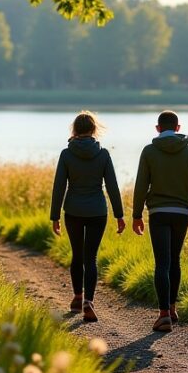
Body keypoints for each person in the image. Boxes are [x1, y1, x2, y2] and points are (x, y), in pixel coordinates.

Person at [132, 110, 188, 332]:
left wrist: (136, 215)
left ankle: (163, 314)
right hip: (181, 214)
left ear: (158, 128)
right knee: (174, 260)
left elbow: (140, 186)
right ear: (177, 128)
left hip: (158, 213)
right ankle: (173, 309)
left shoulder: (149, 151)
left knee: (162, 262)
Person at [49, 111, 125, 323]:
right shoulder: (103, 155)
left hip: (73, 210)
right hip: (97, 211)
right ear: (93, 129)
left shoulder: (66, 154)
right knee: (90, 257)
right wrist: (120, 215)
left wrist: (54, 216)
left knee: (77, 254)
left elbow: (59, 187)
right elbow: (112, 187)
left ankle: (77, 297)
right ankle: (88, 302)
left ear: (75, 129)